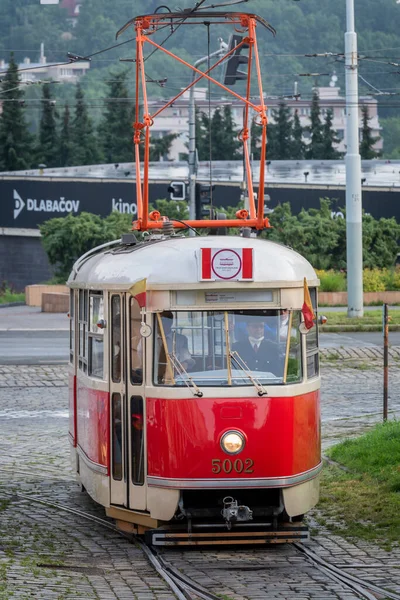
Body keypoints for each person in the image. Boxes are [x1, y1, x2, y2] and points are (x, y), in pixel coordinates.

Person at [157, 311, 195, 382]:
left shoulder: (180, 339)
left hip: (173, 378)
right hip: (151, 377)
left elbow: (187, 360)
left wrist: (184, 365)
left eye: (162, 320)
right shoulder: (146, 339)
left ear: (170, 322)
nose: (159, 324)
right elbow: (140, 361)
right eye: (157, 321)